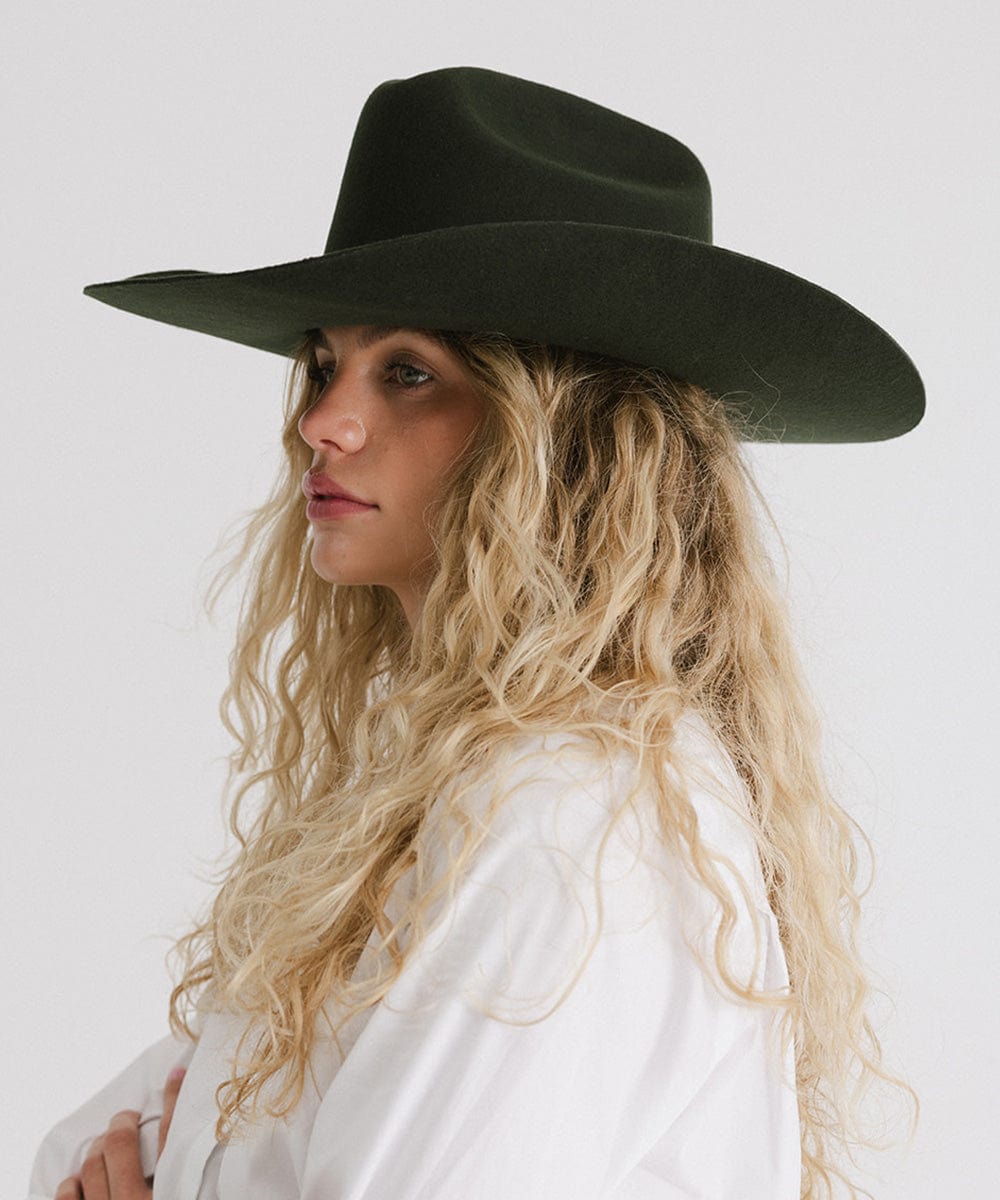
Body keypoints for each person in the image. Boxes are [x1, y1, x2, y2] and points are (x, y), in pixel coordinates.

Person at [30, 66, 923, 1200]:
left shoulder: (571, 815)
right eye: (325, 363)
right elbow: (76, 1154)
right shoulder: (436, 786)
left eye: (408, 372)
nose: (323, 422)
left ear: (576, 441)